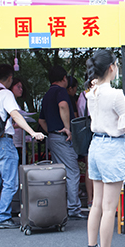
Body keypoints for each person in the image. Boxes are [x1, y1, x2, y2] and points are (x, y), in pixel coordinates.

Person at [85, 50, 125, 247]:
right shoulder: (116, 95)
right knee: (109, 207)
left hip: (95, 145)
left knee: (96, 204)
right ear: (111, 67)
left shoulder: (91, 92)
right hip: (111, 147)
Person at [0, 64, 45, 229]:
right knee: (10, 182)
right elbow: (15, 114)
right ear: (10, 78)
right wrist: (32, 132)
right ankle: (3, 217)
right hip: (3, 142)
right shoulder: (6, 94)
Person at [38, 66, 85, 220]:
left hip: (53, 138)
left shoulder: (47, 94)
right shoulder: (61, 91)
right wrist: (67, 128)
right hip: (63, 138)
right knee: (72, 172)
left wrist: (51, 132)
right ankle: (73, 208)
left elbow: (41, 120)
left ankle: (61, 206)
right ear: (64, 78)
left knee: (60, 173)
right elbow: (63, 105)